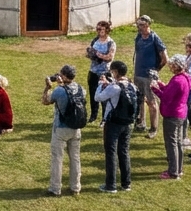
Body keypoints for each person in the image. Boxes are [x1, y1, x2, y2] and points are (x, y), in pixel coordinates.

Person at [94, 60, 138, 193]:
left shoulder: (115, 88)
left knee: (111, 153)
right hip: (128, 123)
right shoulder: (132, 86)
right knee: (124, 152)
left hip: (113, 123)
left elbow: (98, 98)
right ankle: (126, 183)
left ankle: (111, 185)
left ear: (116, 72)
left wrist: (101, 85)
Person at [42, 64, 86, 197]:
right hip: (76, 128)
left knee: (57, 158)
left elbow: (46, 101)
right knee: (75, 158)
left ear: (65, 76)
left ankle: (55, 188)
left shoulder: (59, 91)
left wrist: (48, 87)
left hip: (61, 128)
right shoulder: (81, 89)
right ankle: (75, 186)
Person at [152, 55, 191, 180]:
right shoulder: (186, 78)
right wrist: (161, 85)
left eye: (171, 66)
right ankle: (178, 169)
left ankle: (173, 172)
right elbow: (171, 91)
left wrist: (154, 89)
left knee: (171, 143)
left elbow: (166, 98)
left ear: (176, 66)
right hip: (181, 113)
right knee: (178, 142)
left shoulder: (177, 80)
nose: (170, 68)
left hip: (172, 114)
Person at [133, 15, 167, 139]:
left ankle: (153, 128)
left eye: (142, 25)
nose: (139, 27)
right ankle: (141, 123)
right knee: (140, 99)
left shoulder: (154, 38)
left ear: (148, 25)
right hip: (138, 74)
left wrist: (156, 71)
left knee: (152, 102)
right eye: (138, 25)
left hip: (149, 77)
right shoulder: (138, 36)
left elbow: (165, 58)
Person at [85, 21, 116, 122]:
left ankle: (104, 118)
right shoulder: (95, 40)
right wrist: (90, 54)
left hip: (105, 72)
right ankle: (93, 115)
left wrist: (98, 55)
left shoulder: (111, 43)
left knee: (104, 96)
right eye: (98, 29)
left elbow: (110, 57)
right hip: (93, 71)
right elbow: (89, 54)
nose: (99, 31)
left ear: (107, 30)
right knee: (93, 94)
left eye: (102, 29)